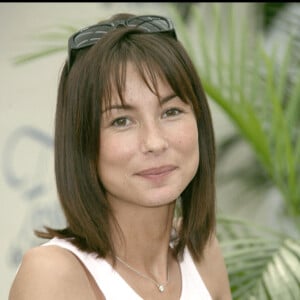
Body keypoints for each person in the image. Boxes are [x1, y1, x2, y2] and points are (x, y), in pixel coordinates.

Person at [9, 13, 232, 300]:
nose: (154, 142)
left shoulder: (202, 254)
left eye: (171, 112)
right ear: (82, 142)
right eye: (121, 121)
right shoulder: (52, 275)